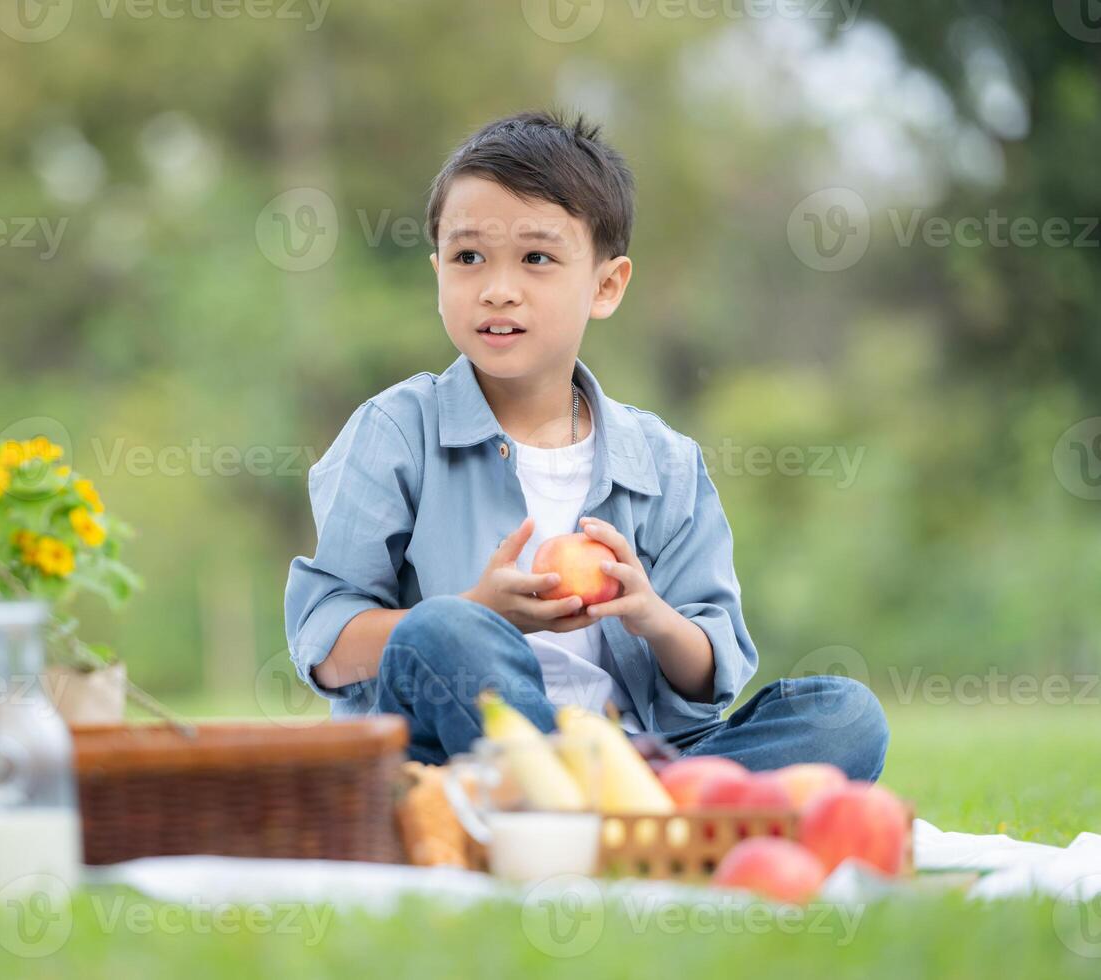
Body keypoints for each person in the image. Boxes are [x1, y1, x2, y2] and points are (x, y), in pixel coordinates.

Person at [283, 110, 888, 779]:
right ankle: (619, 808)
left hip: (632, 750)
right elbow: (327, 641)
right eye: (467, 258)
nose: (498, 289)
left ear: (606, 286)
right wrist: (479, 614)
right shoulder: (396, 432)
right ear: (438, 274)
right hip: (463, 752)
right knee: (441, 630)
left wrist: (652, 617)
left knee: (846, 716)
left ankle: (611, 804)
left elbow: (709, 673)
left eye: (537, 258)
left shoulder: (664, 462)